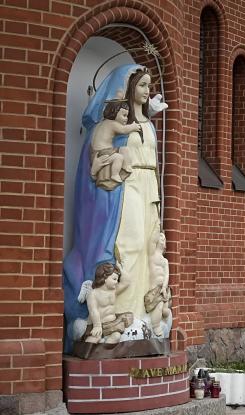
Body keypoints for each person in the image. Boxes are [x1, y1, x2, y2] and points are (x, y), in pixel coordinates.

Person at [63, 64, 166, 352]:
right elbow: (98, 155)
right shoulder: (115, 123)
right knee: (128, 245)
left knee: (149, 247)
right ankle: (120, 310)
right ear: (129, 87)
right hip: (127, 189)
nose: (147, 92)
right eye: (142, 85)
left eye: (149, 86)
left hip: (150, 189)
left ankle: (143, 316)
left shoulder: (148, 123)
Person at [89, 100, 140, 189]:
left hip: (100, 151)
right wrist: (133, 127)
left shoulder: (100, 124)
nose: (126, 118)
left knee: (124, 149)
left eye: (127, 116)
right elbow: (123, 130)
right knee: (119, 157)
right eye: (124, 115)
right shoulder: (112, 124)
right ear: (114, 113)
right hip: (104, 152)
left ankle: (126, 166)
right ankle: (115, 174)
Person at [78, 262, 133, 344]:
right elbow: (93, 311)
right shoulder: (93, 294)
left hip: (112, 324)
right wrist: (97, 326)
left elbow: (126, 282)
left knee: (116, 336)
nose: (117, 282)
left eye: (117, 280)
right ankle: (92, 349)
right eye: (114, 279)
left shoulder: (114, 291)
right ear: (105, 278)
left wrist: (120, 268)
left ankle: (104, 351)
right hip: (97, 324)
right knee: (93, 340)